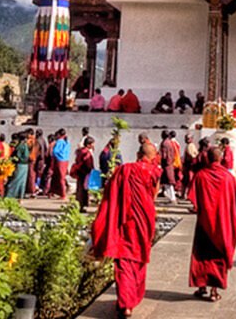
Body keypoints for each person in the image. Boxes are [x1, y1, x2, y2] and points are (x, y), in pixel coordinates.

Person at [91, 140, 162, 318]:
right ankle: (131, 299)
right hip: (144, 219)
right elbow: (153, 196)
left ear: (138, 155)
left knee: (124, 260)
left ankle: (126, 304)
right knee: (138, 258)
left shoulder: (125, 170)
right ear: (153, 157)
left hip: (125, 220)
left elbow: (111, 194)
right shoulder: (155, 171)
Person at [187, 146, 236, 302]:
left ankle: (201, 287)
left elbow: (193, 199)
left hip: (204, 224)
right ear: (220, 158)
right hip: (222, 225)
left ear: (208, 158)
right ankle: (214, 292)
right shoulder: (228, 178)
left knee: (201, 255)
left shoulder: (201, 175)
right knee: (218, 256)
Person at [72, 136, 97, 208]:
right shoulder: (86, 153)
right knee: (84, 190)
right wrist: (91, 170)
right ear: (88, 145)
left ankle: (78, 204)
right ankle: (82, 205)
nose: (93, 146)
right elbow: (88, 163)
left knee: (80, 188)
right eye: (92, 144)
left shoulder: (80, 151)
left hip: (80, 172)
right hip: (85, 173)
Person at [6, 133, 33, 199]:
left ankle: (16, 194)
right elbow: (24, 156)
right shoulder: (22, 146)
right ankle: (14, 194)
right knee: (18, 181)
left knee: (19, 181)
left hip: (21, 165)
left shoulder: (20, 145)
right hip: (22, 165)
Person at [48, 129, 71, 199]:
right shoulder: (67, 142)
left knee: (60, 177)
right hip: (65, 160)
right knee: (57, 177)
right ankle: (53, 191)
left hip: (59, 161)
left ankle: (63, 194)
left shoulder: (59, 142)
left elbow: (54, 152)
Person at [161, 131, 183, 204]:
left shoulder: (164, 143)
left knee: (168, 182)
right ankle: (171, 197)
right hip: (171, 163)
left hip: (166, 164)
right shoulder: (171, 143)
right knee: (168, 182)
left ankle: (172, 198)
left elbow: (164, 155)